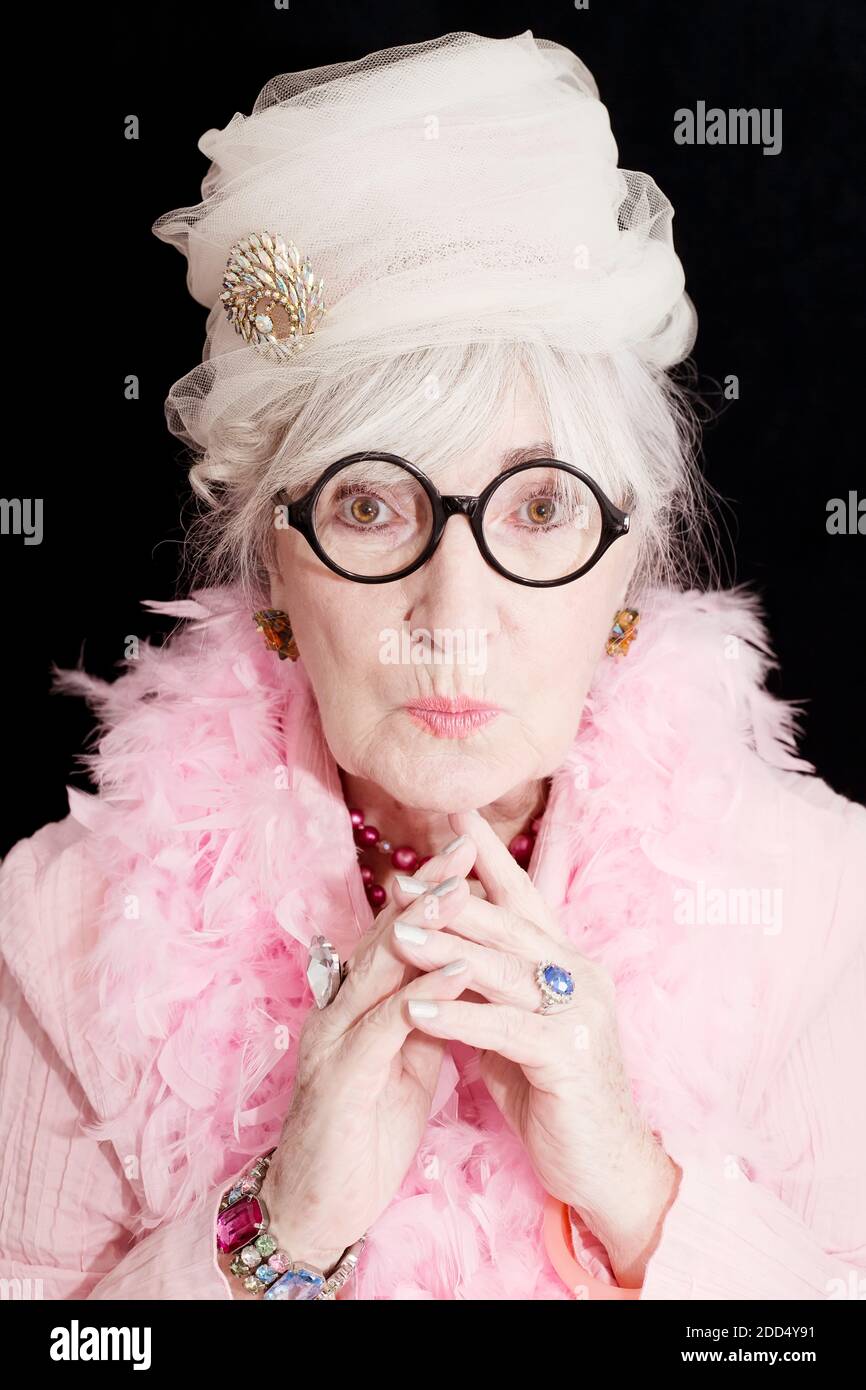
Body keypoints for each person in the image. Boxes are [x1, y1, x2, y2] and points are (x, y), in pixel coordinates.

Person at [1, 30, 864, 1302]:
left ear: (624, 570)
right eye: (366, 507)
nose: (452, 612)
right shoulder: (60, 926)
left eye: (537, 507)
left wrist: (632, 1188)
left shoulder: (816, 896)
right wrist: (278, 1225)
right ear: (275, 572)